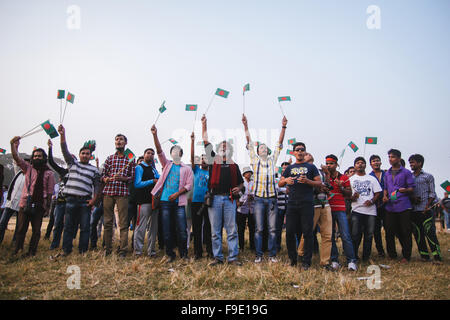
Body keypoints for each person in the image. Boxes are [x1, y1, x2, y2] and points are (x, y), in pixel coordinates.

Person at [242, 114, 287, 263]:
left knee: (273, 229)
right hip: (259, 200)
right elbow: (249, 142)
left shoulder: (272, 160)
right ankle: (259, 255)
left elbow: (279, 143)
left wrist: (283, 127)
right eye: (260, 148)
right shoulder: (254, 161)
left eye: (264, 148)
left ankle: (272, 255)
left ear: (267, 151)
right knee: (259, 229)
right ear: (257, 151)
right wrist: (245, 126)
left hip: (272, 199)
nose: (262, 149)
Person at [201, 114, 244, 266]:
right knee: (215, 231)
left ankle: (233, 258)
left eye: (226, 147)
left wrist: (237, 189)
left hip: (230, 200)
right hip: (215, 199)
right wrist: (204, 124)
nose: (224, 148)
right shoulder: (213, 161)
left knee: (232, 230)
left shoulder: (234, 165)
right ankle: (218, 257)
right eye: (221, 147)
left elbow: (241, 184)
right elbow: (206, 142)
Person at [150, 125, 193, 262]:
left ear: (181, 154)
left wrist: (176, 194)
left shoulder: (186, 169)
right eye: (173, 151)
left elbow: (189, 185)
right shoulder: (167, 164)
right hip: (165, 202)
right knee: (167, 230)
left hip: (179, 203)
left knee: (182, 230)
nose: (175, 153)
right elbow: (158, 150)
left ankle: (184, 254)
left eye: (178, 151)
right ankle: (170, 255)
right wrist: (155, 135)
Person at [58, 125, 101, 256]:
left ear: (91, 156)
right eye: (83, 153)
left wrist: (94, 200)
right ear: (79, 155)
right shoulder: (72, 163)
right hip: (70, 200)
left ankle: (83, 250)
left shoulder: (94, 170)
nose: (85, 155)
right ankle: (67, 250)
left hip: (85, 202)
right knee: (69, 227)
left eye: (88, 154)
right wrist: (62, 135)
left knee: (85, 227)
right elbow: (64, 150)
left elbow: (97, 186)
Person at [279, 142, 322, 270]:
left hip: (307, 203)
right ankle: (292, 259)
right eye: (297, 150)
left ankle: (306, 261)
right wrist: (286, 180)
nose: (300, 152)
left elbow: (319, 183)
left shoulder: (311, 167)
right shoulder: (289, 168)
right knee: (290, 232)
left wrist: (308, 181)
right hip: (292, 204)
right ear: (294, 152)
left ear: (305, 152)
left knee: (308, 233)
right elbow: (280, 183)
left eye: (302, 150)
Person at [10, 136, 55, 257]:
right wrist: (13, 146)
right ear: (32, 158)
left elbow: (50, 192)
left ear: (44, 158)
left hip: (40, 205)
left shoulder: (49, 173)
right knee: (20, 229)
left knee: (36, 231)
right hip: (25, 203)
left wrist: (48, 207)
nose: (37, 158)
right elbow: (16, 158)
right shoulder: (28, 168)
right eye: (35, 156)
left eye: (39, 156)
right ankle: (18, 250)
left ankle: (32, 252)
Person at [297, 153, 333, 270]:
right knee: (308, 233)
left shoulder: (320, 171)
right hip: (312, 205)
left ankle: (325, 262)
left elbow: (327, 185)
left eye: (308, 153)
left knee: (327, 234)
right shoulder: (302, 172)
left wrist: (327, 175)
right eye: (306, 155)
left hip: (325, 204)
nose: (307, 154)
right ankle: (301, 254)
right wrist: (318, 186)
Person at [101, 133, 135, 257]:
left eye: (121, 140)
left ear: (125, 143)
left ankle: (123, 250)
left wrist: (123, 178)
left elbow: (132, 177)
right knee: (108, 222)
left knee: (123, 223)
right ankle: (108, 249)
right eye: (116, 140)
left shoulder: (130, 159)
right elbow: (103, 175)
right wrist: (106, 179)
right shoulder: (109, 158)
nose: (118, 142)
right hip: (109, 192)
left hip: (122, 193)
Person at [382, 149, 415, 263]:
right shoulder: (387, 173)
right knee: (389, 231)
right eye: (389, 157)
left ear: (399, 158)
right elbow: (385, 188)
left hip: (403, 205)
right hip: (390, 206)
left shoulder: (406, 172)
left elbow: (411, 188)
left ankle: (406, 255)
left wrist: (405, 190)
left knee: (405, 231)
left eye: (393, 157)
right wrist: (385, 196)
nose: (391, 159)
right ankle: (392, 254)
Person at [408, 154, 442, 263]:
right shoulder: (410, 177)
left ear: (420, 163)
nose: (411, 165)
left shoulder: (428, 176)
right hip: (414, 210)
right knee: (418, 234)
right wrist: (412, 198)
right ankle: (424, 255)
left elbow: (432, 193)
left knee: (430, 233)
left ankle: (437, 256)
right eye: (410, 162)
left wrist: (427, 205)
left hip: (426, 210)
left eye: (413, 162)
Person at [326, 155, 358, 271]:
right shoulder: (325, 177)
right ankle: (335, 260)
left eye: (331, 163)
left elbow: (349, 194)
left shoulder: (343, 177)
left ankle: (351, 261)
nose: (329, 165)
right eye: (327, 163)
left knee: (346, 235)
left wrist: (341, 187)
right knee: (330, 237)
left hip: (340, 209)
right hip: (328, 210)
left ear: (336, 164)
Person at [349, 157, 382, 262]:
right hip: (356, 210)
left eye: (362, 163)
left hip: (370, 211)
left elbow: (378, 193)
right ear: (355, 166)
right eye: (358, 163)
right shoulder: (351, 179)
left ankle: (366, 257)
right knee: (355, 235)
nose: (360, 164)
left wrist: (372, 201)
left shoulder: (372, 178)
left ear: (365, 165)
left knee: (368, 236)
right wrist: (352, 198)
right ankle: (354, 257)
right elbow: (347, 194)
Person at [133, 149, 160, 257]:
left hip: (154, 201)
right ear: (144, 155)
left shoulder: (154, 169)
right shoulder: (139, 167)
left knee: (153, 228)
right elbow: (137, 184)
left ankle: (151, 251)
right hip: (143, 201)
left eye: (152, 154)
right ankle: (138, 251)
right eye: (148, 153)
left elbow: (159, 179)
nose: (150, 155)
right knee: (141, 227)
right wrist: (151, 181)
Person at [190, 133, 212, 260]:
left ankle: (209, 251)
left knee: (208, 228)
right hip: (196, 202)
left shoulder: (212, 171)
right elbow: (192, 158)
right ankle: (198, 253)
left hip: (208, 203)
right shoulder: (196, 170)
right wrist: (192, 141)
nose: (204, 160)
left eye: (206, 158)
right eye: (202, 158)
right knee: (197, 228)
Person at [0, 160, 27, 244]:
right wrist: (15, 148)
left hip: (21, 205)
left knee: (18, 226)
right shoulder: (18, 173)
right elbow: (15, 162)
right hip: (10, 202)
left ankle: (15, 243)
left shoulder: (31, 176)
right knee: (2, 224)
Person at [369, 154, 386, 257]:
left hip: (388, 205)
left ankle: (391, 250)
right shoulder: (369, 176)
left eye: (377, 160)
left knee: (389, 228)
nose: (376, 162)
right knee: (376, 230)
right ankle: (380, 251)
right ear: (370, 164)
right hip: (375, 206)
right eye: (373, 161)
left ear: (381, 162)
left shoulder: (387, 174)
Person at [236, 166, 255, 252]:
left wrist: (252, 196)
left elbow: (256, 192)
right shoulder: (241, 183)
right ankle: (241, 246)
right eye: (247, 172)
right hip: (241, 207)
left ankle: (252, 246)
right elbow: (237, 193)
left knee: (252, 228)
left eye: (250, 172)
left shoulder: (253, 183)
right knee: (241, 228)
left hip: (252, 208)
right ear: (243, 174)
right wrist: (239, 200)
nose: (249, 174)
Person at [275, 162, 290, 253]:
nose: (284, 169)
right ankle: (277, 247)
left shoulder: (292, 178)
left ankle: (291, 247)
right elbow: (276, 188)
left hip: (290, 205)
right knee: (277, 228)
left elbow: (293, 190)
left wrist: (282, 189)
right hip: (279, 205)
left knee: (290, 228)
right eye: (283, 168)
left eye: (286, 167)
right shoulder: (277, 179)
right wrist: (284, 189)